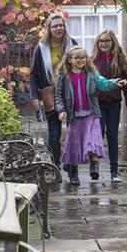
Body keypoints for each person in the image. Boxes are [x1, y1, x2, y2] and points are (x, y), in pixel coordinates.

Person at [55, 46, 127, 186]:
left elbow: (103, 83)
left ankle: (94, 166)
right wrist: (61, 110)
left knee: (93, 140)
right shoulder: (64, 77)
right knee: (74, 144)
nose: (81, 60)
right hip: (74, 116)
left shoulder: (92, 74)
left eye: (83, 57)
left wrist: (115, 82)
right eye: (77, 58)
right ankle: (73, 172)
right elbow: (58, 96)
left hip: (91, 114)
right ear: (70, 60)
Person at [29, 13, 78, 168]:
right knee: (54, 136)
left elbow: (83, 68)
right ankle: (55, 166)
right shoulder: (41, 49)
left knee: (73, 134)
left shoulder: (73, 44)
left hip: (72, 95)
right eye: (55, 25)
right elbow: (33, 75)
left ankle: (71, 166)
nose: (58, 28)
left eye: (61, 25)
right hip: (51, 95)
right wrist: (35, 96)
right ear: (49, 29)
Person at [91, 29, 127, 182]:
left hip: (114, 103)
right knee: (98, 134)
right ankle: (94, 166)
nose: (103, 43)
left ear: (113, 42)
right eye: (101, 41)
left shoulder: (120, 59)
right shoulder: (93, 60)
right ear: (97, 42)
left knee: (113, 136)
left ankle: (114, 171)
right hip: (97, 103)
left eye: (107, 41)